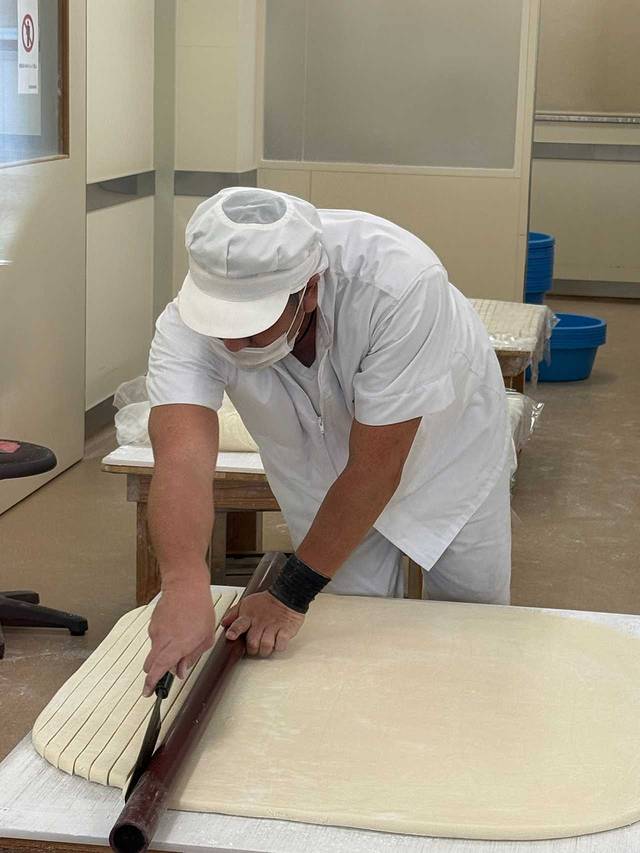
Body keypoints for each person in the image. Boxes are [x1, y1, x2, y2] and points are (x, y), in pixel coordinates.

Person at [142, 188, 511, 696]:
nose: (231, 344)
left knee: (477, 623)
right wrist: (183, 582)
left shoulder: (398, 284)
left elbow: (376, 468)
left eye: (250, 329)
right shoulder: (185, 325)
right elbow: (181, 461)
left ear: (309, 290)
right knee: (346, 628)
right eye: (220, 326)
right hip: (321, 473)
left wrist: (288, 593)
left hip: (448, 449)